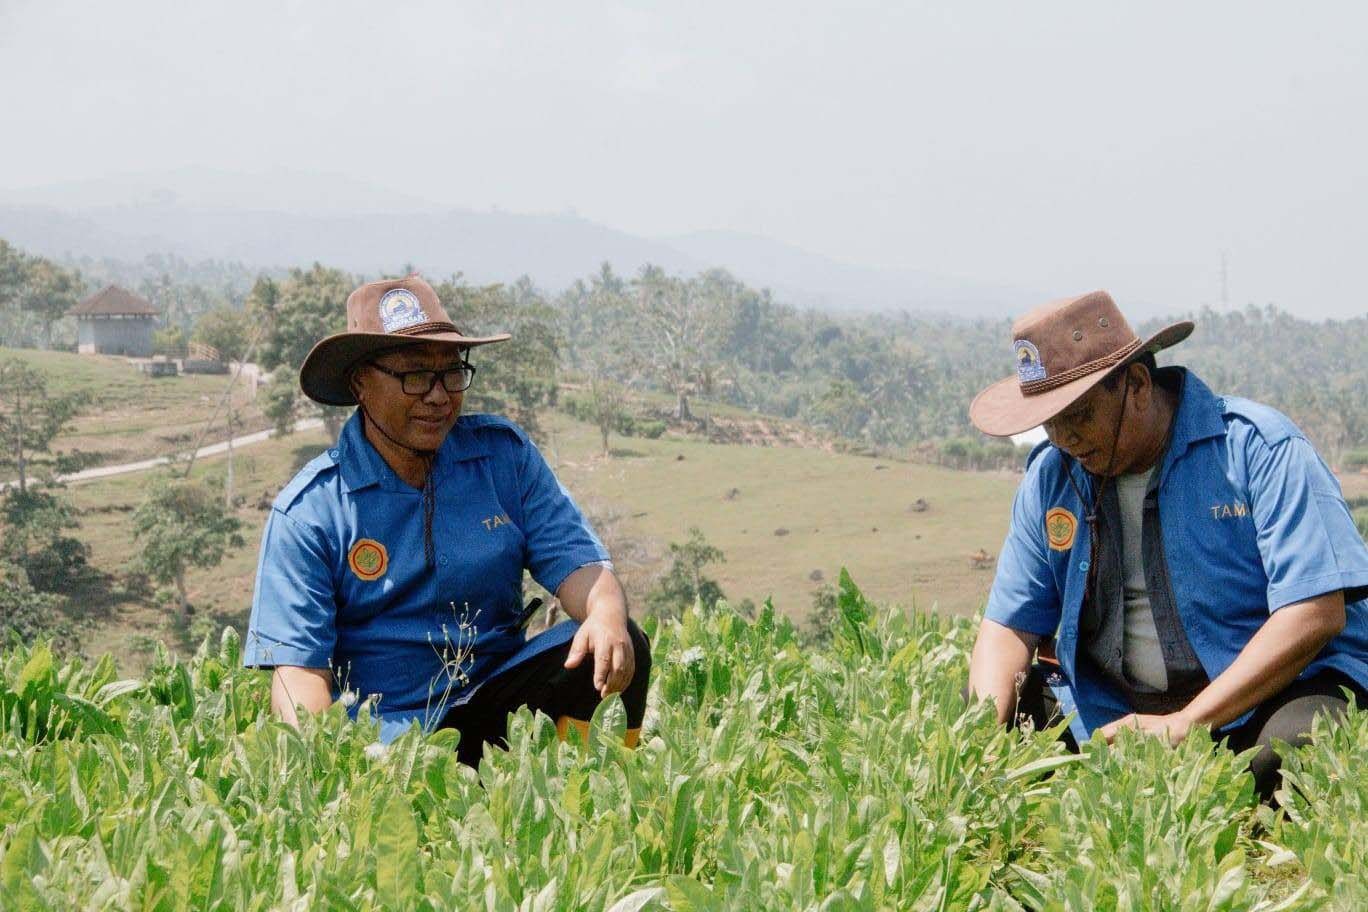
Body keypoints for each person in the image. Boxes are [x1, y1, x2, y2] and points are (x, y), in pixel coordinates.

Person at [965, 290, 1368, 800]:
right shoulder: (1051, 476)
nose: (1066, 438)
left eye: (1080, 415)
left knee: (1296, 749)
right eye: (1052, 422)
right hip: (1115, 714)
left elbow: (1315, 612)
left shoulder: (1258, 450)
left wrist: (1183, 725)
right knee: (994, 707)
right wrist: (978, 747)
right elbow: (1007, 627)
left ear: (1135, 384)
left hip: (1262, 698)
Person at [244, 275, 650, 766]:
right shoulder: (310, 511)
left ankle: (593, 797)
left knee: (618, 642)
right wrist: (330, 766)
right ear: (360, 384)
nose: (438, 396)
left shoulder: (504, 459)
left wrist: (605, 616)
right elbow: (299, 675)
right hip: (391, 739)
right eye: (414, 376)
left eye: (451, 374)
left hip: (499, 704)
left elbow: (583, 569)